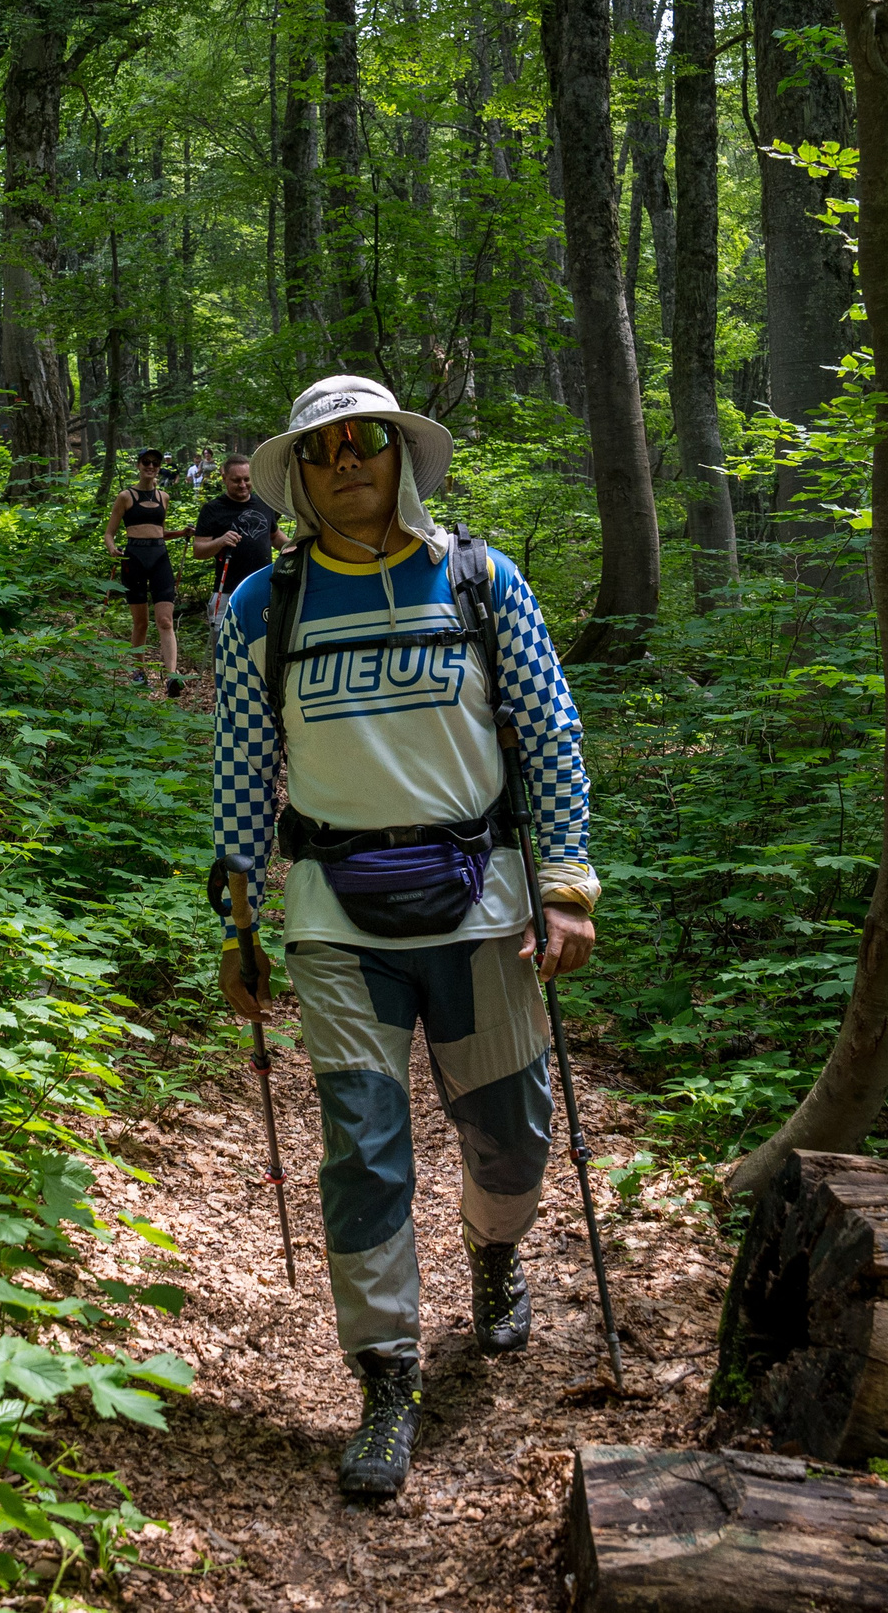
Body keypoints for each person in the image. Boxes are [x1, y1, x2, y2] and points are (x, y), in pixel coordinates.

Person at [211, 376, 599, 1498]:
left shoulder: (477, 581)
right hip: (336, 916)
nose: (346, 463)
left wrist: (565, 888)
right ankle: (386, 1377)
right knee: (366, 1148)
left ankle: (495, 1251)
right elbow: (243, 767)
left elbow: (548, 731)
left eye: (365, 441)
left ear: (399, 455)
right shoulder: (259, 608)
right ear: (298, 472)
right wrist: (239, 918)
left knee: (511, 1139)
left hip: (484, 903)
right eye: (322, 449)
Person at [102, 448, 185, 696]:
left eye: (155, 463)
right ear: (138, 465)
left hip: (159, 557)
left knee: (165, 620)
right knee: (141, 623)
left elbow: (159, 531)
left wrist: (182, 533)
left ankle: (171, 676)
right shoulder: (126, 497)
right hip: (133, 558)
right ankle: (137, 672)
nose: (151, 466)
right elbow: (109, 532)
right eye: (146, 462)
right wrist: (112, 549)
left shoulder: (164, 497)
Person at [192, 453, 285, 628]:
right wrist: (220, 541)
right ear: (224, 478)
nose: (243, 485)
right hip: (227, 591)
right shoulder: (212, 510)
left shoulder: (264, 503)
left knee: (261, 644)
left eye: (247, 479)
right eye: (236, 480)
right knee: (222, 648)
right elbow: (198, 550)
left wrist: (299, 546)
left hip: (263, 589)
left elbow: (275, 536)